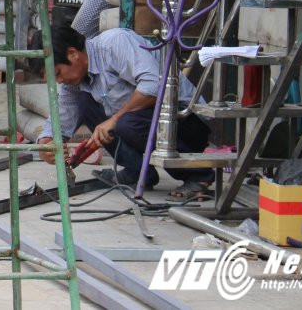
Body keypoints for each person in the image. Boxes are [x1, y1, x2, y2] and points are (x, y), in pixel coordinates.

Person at [37, 25, 214, 199]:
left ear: (73, 54)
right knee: (86, 104)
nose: (60, 81)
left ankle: (198, 175)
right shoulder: (76, 80)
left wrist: (114, 119)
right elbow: (63, 111)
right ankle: (138, 172)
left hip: (187, 121)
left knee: (125, 123)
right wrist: (47, 142)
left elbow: (154, 85)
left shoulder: (115, 43)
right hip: (148, 120)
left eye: (58, 73)